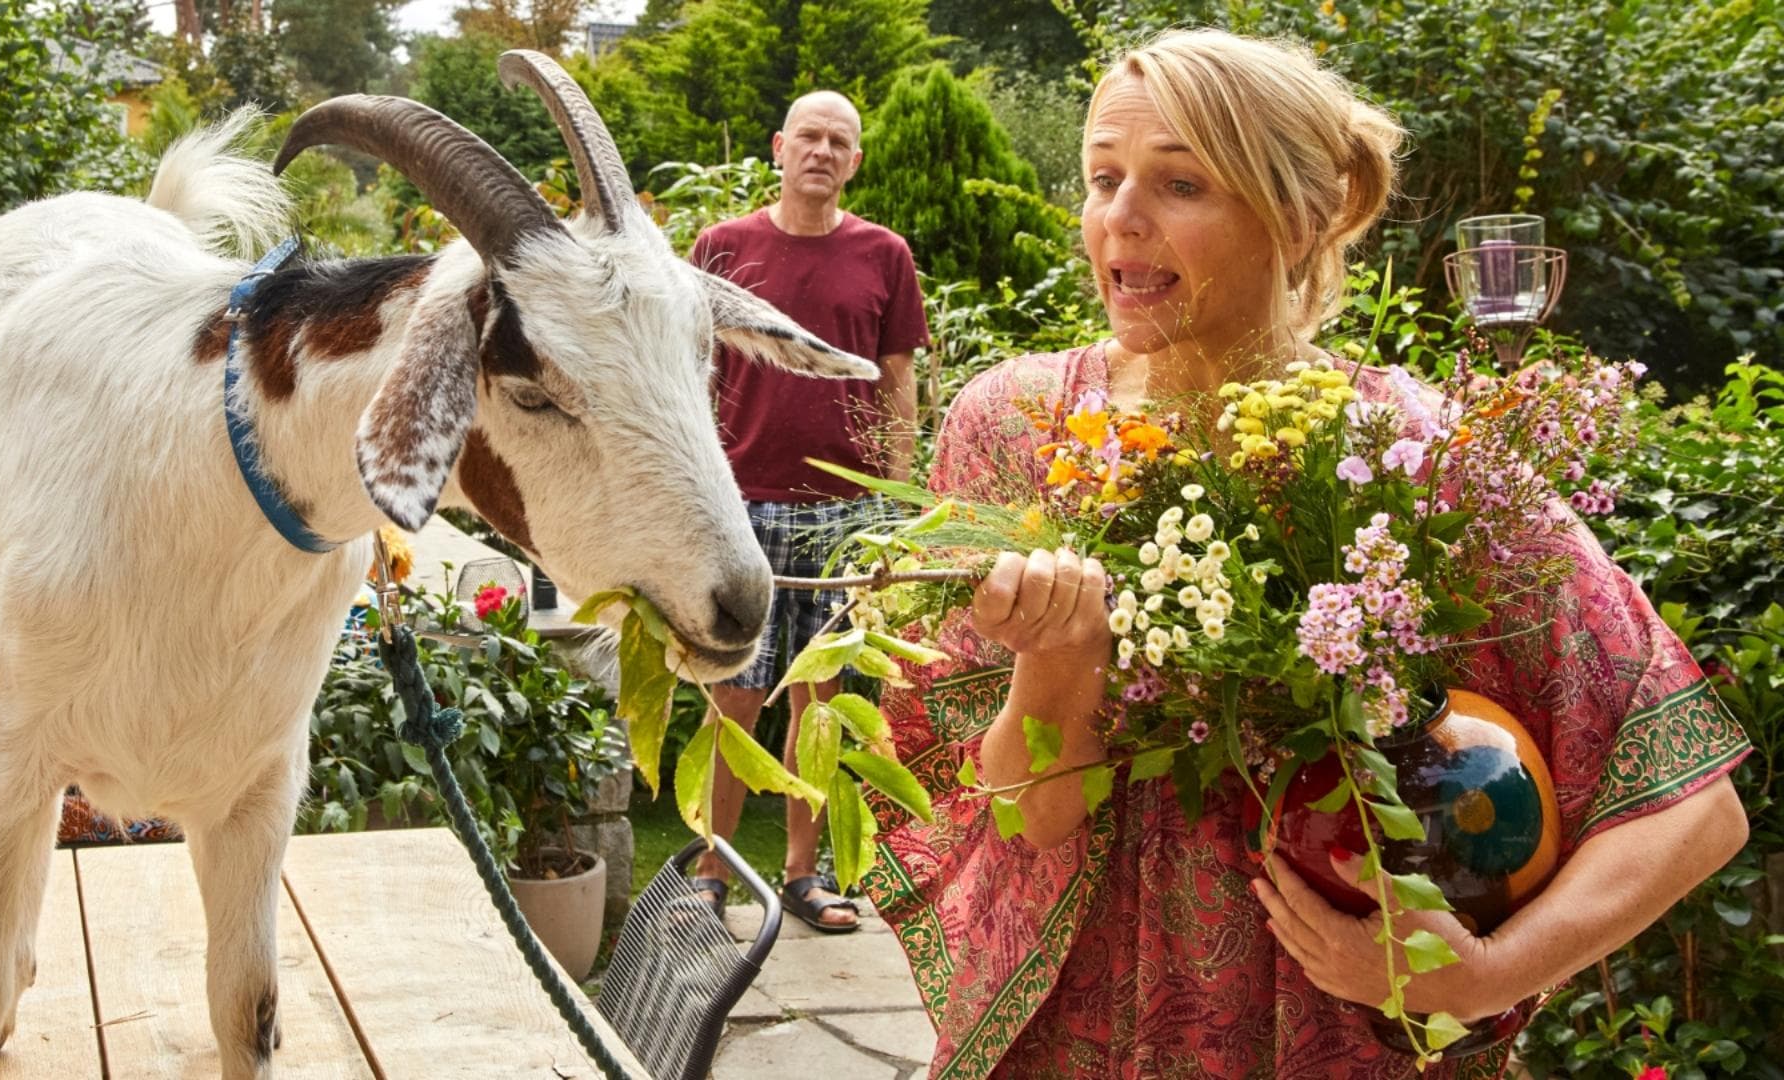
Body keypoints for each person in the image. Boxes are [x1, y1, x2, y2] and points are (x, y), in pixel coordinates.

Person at [865, 28, 1751, 1077]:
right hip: (1080, 1035)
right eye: (1104, 178)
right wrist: (1060, 659)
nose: (1122, 219)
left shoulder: (1406, 450)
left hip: (1327, 1039)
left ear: (1301, 216)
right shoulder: (1014, 426)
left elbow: (1697, 810)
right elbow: (1032, 819)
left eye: (1180, 184)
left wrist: (1485, 975)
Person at [688, 90, 931, 931]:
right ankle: (711, 871)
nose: (823, 152)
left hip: (845, 515)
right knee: (735, 700)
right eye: (810, 138)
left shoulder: (884, 255)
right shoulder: (722, 247)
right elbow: (693, 373)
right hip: (739, 507)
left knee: (819, 706)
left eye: (840, 142)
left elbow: (898, 382)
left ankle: (801, 874)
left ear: (854, 161)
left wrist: (895, 500)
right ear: (779, 148)